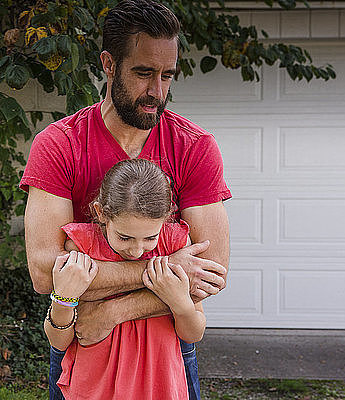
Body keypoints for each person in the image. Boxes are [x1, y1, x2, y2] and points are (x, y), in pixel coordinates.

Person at [20, 1, 231, 399]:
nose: (157, 91)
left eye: (167, 76)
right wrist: (165, 270)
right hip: (84, 348)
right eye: (143, 73)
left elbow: (211, 271)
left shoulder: (194, 147)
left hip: (164, 350)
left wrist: (112, 310)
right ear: (109, 64)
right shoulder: (59, 145)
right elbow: (45, 273)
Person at [44, 159, 206, 399]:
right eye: (125, 237)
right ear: (101, 214)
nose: (137, 251)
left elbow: (193, 334)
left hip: (158, 383)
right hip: (96, 386)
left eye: (150, 238)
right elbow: (59, 340)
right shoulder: (82, 246)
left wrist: (180, 303)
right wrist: (63, 299)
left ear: (167, 218)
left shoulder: (175, 244)